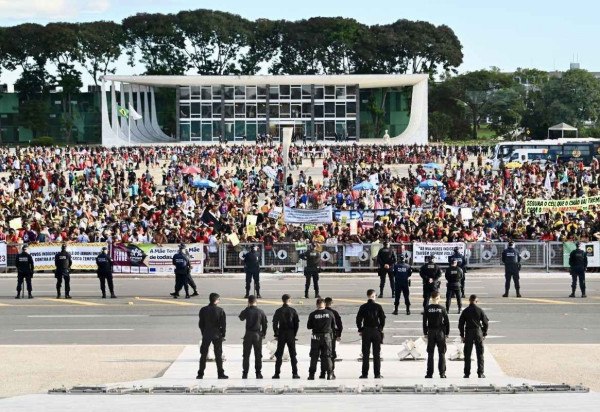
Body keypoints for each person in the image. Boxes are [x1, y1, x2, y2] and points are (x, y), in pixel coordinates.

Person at [356, 289, 386, 379]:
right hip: (376, 331)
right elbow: (382, 319)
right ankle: (377, 374)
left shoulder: (363, 307)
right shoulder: (378, 306)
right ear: (373, 296)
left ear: (368, 295)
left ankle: (364, 374)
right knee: (376, 354)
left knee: (365, 354)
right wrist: (380, 328)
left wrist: (360, 329)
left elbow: (358, 319)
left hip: (366, 331)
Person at [197, 293, 228, 379]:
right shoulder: (220, 310)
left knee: (203, 354)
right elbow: (223, 324)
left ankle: (200, 374)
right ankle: (220, 373)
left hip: (206, 334)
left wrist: (203, 332)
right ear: (216, 300)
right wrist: (223, 334)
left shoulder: (203, 310)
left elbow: (201, 324)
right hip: (217, 335)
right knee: (218, 355)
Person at [459, 294, 489, 379]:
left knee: (467, 354)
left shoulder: (465, 311)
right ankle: (480, 373)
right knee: (480, 353)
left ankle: (467, 373)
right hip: (478, 332)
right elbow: (486, 323)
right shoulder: (480, 310)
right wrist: (484, 333)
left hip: (468, 333)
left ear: (469, 300)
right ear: (476, 301)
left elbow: (461, 324)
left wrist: (462, 335)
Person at [239, 295, 268, 379]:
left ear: (248, 302)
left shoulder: (247, 311)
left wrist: (247, 308)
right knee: (258, 355)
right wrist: (263, 333)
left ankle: (245, 373)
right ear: (256, 301)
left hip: (248, 334)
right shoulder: (261, 311)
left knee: (246, 355)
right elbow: (265, 324)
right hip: (257, 335)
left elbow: (241, 318)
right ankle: (258, 373)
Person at [272, 294, 300, 379]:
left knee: (279, 354)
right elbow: (296, 324)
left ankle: (277, 374)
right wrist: (294, 334)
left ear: (282, 300)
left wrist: (276, 333)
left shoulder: (278, 311)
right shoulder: (293, 310)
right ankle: (295, 373)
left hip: (281, 333)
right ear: (289, 300)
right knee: (293, 354)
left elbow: (274, 324)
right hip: (290, 333)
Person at [307, 298, 336, 380]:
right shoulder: (330, 313)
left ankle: (311, 375)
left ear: (317, 305)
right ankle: (330, 374)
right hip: (326, 336)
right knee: (327, 356)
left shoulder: (313, 314)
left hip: (315, 336)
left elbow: (309, 326)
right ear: (324, 304)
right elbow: (334, 326)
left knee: (314, 356)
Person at [423, 291, 450, 378]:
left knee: (430, 353)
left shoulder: (427, 308)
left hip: (431, 332)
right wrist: (447, 333)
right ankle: (442, 373)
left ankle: (429, 373)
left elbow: (424, 322)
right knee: (441, 353)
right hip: (440, 333)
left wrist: (425, 333)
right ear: (438, 298)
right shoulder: (442, 308)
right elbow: (447, 322)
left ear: (432, 298)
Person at [322, 297, 343, 379]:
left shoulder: (320, 312)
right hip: (332, 335)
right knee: (331, 353)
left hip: (321, 335)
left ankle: (322, 372)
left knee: (323, 353)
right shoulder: (334, 312)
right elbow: (339, 325)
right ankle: (331, 372)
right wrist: (338, 335)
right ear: (331, 303)